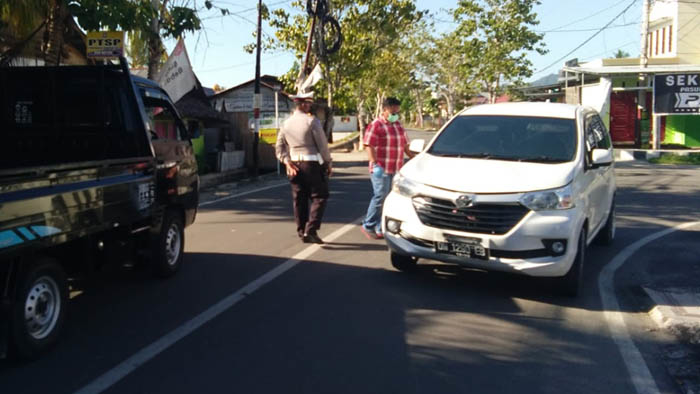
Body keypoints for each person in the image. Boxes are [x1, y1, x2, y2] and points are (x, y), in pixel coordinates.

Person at [276, 92, 332, 244]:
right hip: (312, 164)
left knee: (299, 199)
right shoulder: (312, 121)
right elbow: (322, 145)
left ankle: (302, 231)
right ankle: (311, 229)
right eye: (308, 104)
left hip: (294, 165)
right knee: (320, 196)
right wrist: (328, 163)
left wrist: (287, 162)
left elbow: (279, 148)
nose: (309, 106)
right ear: (303, 105)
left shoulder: (285, 124)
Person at [361, 97, 412, 240]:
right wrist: (374, 163)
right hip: (381, 168)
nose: (395, 113)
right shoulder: (376, 125)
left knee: (389, 199)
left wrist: (415, 158)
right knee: (380, 196)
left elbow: (405, 145)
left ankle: (379, 225)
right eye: (392, 110)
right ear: (384, 110)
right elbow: (368, 144)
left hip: (395, 168)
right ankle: (368, 224)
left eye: (397, 110)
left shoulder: (398, 125)